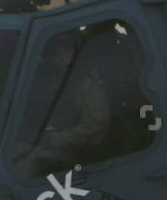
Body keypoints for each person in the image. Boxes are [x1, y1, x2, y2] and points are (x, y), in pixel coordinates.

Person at [13, 27, 116, 177]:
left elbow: (95, 129)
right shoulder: (46, 78)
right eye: (55, 54)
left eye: (67, 50)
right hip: (45, 141)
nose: (63, 59)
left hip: (75, 151)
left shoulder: (88, 82)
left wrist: (53, 139)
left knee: (22, 171)